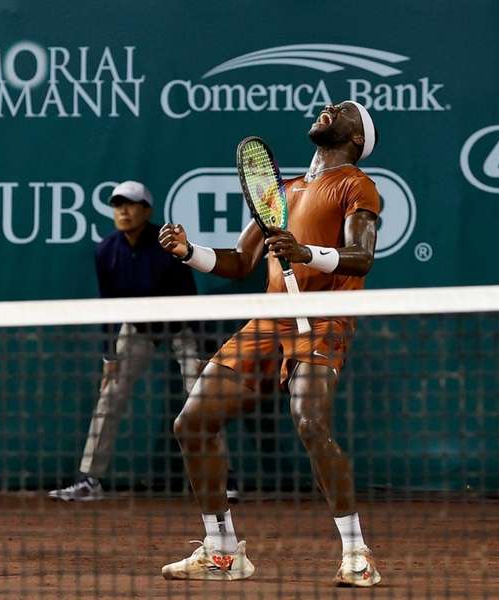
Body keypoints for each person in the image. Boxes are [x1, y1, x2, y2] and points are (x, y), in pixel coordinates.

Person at [157, 101, 382, 586]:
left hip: (322, 320)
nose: (327, 109)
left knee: (310, 423)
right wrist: (189, 252)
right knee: (193, 423)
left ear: (357, 139)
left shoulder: (357, 185)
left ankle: (356, 554)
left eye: (341, 110)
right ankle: (221, 552)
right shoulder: (280, 193)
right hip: (270, 320)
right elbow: (240, 262)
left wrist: (306, 253)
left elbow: (361, 257)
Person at [48, 181, 238, 502]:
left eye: (131, 204)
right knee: (109, 395)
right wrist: (110, 357)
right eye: (118, 204)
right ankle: (89, 480)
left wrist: (203, 351)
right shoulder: (105, 251)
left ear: (146, 211)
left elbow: (189, 298)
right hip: (136, 328)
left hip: (181, 327)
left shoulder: (167, 246)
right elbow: (109, 307)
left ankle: (223, 477)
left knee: (201, 398)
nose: (123, 210)